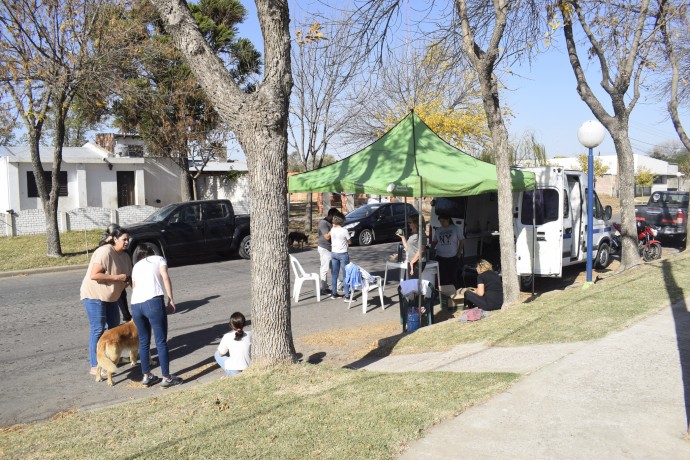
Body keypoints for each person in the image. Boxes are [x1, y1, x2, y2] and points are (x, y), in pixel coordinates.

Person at [80, 227, 132, 376]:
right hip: (94, 295)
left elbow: (127, 276)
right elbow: (94, 275)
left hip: (111, 297)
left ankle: (111, 357)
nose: (127, 242)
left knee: (114, 329)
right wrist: (117, 278)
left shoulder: (126, 256)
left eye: (128, 239)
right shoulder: (105, 252)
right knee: (98, 328)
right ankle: (95, 365)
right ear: (115, 239)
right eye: (124, 239)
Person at [130, 246, 182, 388]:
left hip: (135, 304)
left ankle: (146, 375)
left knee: (144, 341)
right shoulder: (159, 259)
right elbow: (165, 277)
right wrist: (171, 299)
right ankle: (166, 377)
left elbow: (134, 287)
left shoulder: (136, 266)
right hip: (153, 301)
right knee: (160, 341)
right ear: (152, 253)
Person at [99, 224, 132, 322]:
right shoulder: (106, 241)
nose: (126, 241)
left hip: (120, 269)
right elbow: (100, 245)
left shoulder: (123, 246)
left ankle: (126, 316)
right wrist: (107, 240)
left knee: (121, 294)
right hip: (109, 271)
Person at [214, 311, 252, 378]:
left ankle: (230, 375)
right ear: (244, 324)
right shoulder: (250, 334)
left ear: (231, 325)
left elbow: (221, 354)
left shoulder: (227, 336)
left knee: (217, 354)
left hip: (234, 369)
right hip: (248, 367)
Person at [431, 214, 464, 287]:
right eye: (440, 221)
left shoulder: (455, 228)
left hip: (452, 257)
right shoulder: (438, 230)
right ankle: (443, 293)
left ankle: (454, 294)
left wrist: (459, 253)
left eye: (443, 221)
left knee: (452, 277)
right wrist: (430, 250)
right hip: (440, 257)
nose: (442, 223)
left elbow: (462, 241)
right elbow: (434, 242)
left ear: (448, 220)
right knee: (442, 277)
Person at [317, 208, 340, 296]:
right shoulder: (323, 223)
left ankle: (338, 284)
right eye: (335, 217)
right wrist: (334, 228)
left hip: (332, 248)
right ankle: (324, 288)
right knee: (325, 268)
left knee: (334, 267)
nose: (335, 219)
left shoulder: (331, 223)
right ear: (330, 215)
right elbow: (327, 237)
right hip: (324, 248)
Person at [327, 215, 351, 300]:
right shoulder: (344, 230)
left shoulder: (332, 230)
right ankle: (347, 295)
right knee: (345, 274)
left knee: (334, 274)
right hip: (342, 253)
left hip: (334, 253)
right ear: (341, 222)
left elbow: (328, 236)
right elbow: (349, 241)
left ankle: (334, 293)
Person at [397, 216, 427, 280]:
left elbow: (421, 250)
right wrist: (402, 237)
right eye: (408, 222)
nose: (409, 224)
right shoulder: (413, 234)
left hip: (418, 262)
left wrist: (412, 262)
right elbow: (408, 248)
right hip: (411, 261)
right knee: (412, 281)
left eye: (410, 222)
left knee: (414, 281)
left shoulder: (421, 234)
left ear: (416, 223)